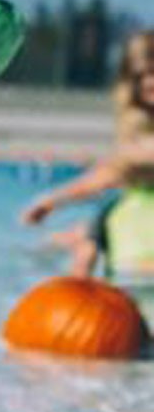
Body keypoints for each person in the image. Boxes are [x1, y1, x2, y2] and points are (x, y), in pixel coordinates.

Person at [22, 31, 154, 278]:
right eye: (142, 75)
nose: (149, 83)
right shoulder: (134, 123)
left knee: (90, 234)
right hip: (132, 212)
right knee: (91, 236)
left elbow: (119, 169)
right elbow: (114, 172)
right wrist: (53, 200)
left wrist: (56, 200)